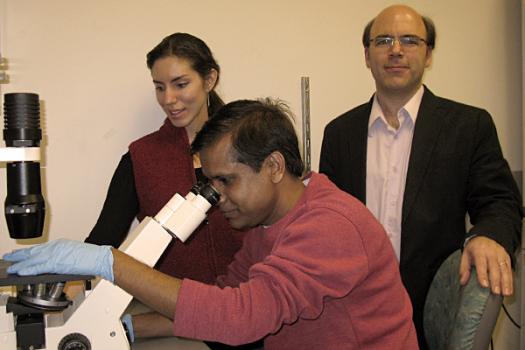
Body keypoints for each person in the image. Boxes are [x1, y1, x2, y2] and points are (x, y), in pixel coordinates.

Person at [5, 99, 418, 349]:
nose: (216, 196)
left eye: (226, 180)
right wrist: (123, 328)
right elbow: (223, 296)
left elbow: (240, 318)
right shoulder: (268, 223)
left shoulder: (331, 225)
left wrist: (110, 261)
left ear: (274, 165)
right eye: (209, 182)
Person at [319, 5, 523, 348]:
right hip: (355, 316)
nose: (396, 50)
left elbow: (500, 201)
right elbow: (328, 221)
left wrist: (487, 235)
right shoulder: (339, 133)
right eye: (383, 40)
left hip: (432, 315)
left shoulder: (468, 126)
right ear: (367, 55)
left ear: (428, 55)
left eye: (410, 41)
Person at [84, 32, 244, 285]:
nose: (168, 99)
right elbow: (104, 239)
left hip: (249, 303)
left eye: (180, 84)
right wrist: (63, 278)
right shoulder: (141, 158)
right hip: (170, 311)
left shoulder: (249, 145)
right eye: (160, 87)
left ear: (209, 79)